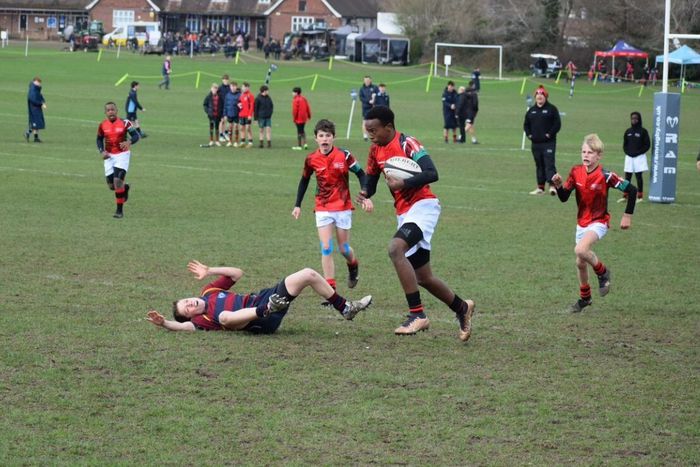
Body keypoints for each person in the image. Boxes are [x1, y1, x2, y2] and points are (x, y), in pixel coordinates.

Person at [355, 106, 476, 340]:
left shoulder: (407, 143)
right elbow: (371, 181)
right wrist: (365, 192)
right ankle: (462, 307)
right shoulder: (375, 150)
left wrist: (403, 183)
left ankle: (417, 315)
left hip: (424, 207)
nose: (370, 134)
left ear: (388, 127)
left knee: (395, 248)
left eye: (373, 130)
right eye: (367, 130)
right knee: (423, 277)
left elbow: (432, 173)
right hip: (404, 212)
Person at [146, 260, 372, 333]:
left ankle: (345, 308)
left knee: (308, 274)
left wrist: (210, 270)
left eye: (186, 301)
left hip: (263, 298)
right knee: (224, 317)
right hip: (260, 320)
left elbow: (237, 273)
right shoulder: (202, 321)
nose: (190, 304)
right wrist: (164, 323)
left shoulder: (209, 291)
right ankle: (267, 310)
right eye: (187, 309)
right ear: (192, 316)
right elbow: (181, 327)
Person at [551, 134, 637, 313]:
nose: (586, 155)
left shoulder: (606, 176)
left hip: (599, 222)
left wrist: (627, 215)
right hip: (581, 223)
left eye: (590, 152)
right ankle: (585, 298)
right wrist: (559, 186)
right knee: (580, 263)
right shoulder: (576, 172)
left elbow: (632, 190)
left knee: (580, 250)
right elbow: (564, 197)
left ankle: (603, 272)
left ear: (599, 156)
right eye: (584, 152)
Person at [292, 119, 367, 295]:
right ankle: (331, 291)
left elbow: (361, 174)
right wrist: (297, 205)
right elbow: (304, 180)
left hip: (343, 207)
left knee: (344, 249)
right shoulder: (311, 159)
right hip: (322, 207)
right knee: (326, 247)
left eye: (328, 135)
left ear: (333, 137)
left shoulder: (344, 155)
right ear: (316, 138)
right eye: (321, 136)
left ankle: (353, 265)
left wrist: (365, 193)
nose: (324, 139)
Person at [96, 102, 140, 219]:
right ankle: (125, 188)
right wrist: (102, 151)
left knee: (117, 181)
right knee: (112, 186)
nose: (111, 112)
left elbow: (136, 136)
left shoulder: (125, 123)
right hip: (109, 156)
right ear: (105, 112)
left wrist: (129, 142)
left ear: (117, 111)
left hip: (122, 155)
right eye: (108, 110)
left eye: (113, 109)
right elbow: (99, 139)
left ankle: (119, 211)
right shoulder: (102, 125)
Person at [523, 85, 561, 195]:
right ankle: (540, 187)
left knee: (549, 164)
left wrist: (549, 134)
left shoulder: (552, 109)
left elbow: (557, 124)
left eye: (542, 94)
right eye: (537, 95)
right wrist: (529, 135)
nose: (539, 97)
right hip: (535, 143)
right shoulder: (531, 111)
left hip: (548, 143)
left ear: (546, 96)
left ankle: (552, 186)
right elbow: (526, 125)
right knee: (539, 165)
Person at [620, 111, 650, 203]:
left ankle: (640, 197)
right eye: (632, 118)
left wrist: (638, 153)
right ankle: (625, 196)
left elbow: (647, 145)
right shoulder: (628, 131)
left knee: (638, 176)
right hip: (629, 157)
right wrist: (627, 152)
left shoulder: (643, 131)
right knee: (627, 177)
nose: (634, 120)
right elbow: (625, 144)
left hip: (639, 157)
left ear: (639, 119)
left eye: (636, 118)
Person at [25, 76, 47, 143]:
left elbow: (40, 96)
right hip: (34, 109)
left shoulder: (36, 89)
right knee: (35, 123)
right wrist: (41, 104)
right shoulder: (33, 90)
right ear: (35, 81)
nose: (39, 84)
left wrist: (43, 101)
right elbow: (33, 99)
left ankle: (35, 137)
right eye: (38, 82)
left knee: (37, 123)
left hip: (37, 108)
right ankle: (28, 133)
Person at [359, 76, 378, 141]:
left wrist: (374, 101)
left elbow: (378, 95)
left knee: (374, 122)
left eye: (368, 80)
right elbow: (361, 98)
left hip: (373, 108)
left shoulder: (374, 87)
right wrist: (368, 101)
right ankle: (365, 135)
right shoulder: (362, 89)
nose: (367, 82)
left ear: (370, 80)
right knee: (365, 122)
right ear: (364, 81)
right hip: (365, 108)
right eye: (366, 80)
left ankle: (374, 135)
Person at [223, 82, 241, 147]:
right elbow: (225, 105)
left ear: (236, 87)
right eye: (231, 86)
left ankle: (236, 142)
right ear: (230, 87)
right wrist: (225, 114)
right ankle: (230, 141)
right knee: (230, 128)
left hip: (237, 114)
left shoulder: (239, 95)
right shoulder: (227, 95)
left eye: (234, 86)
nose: (233, 88)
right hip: (229, 114)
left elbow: (241, 105)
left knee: (236, 127)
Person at [237, 82, 255, 148]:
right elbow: (239, 102)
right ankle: (243, 142)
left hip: (247, 115)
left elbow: (252, 106)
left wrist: (250, 115)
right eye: (242, 87)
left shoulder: (250, 95)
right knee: (241, 128)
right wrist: (239, 105)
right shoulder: (242, 95)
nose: (242, 88)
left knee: (248, 128)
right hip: (241, 114)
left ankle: (250, 142)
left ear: (247, 88)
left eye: (244, 87)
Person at [217, 74, 232, 142]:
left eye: (227, 80)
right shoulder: (220, 88)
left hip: (229, 106)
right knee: (222, 121)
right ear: (222, 80)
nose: (225, 81)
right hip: (221, 107)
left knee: (228, 121)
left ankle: (226, 133)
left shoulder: (230, 87)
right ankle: (221, 135)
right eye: (224, 80)